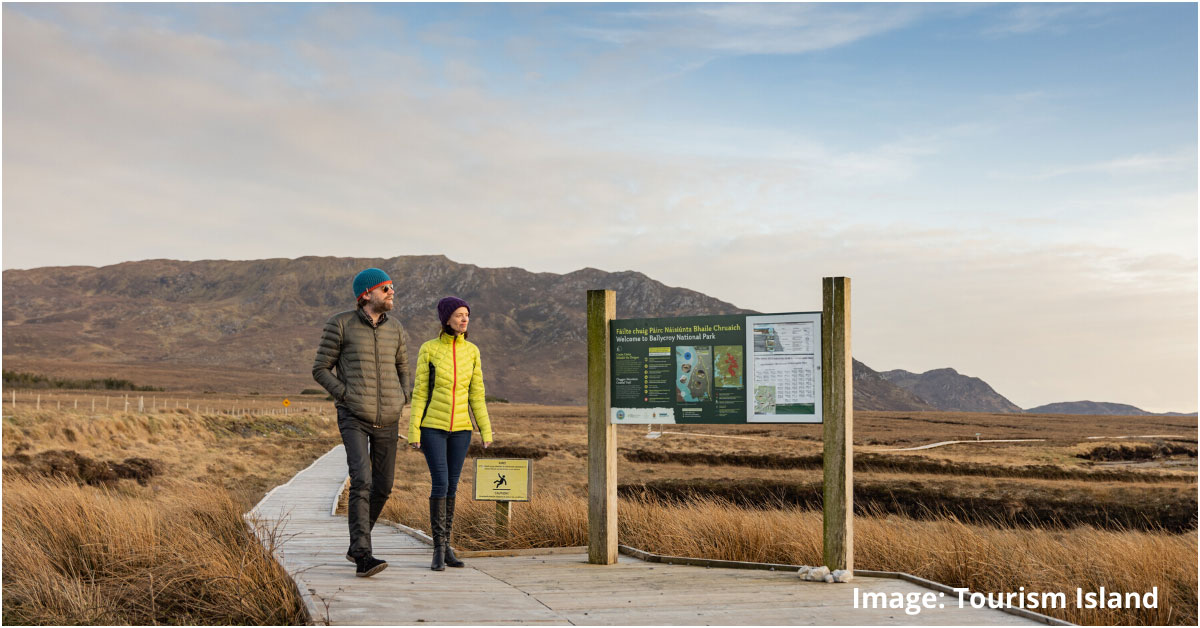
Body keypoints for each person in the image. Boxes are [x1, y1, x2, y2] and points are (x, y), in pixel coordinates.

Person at [312, 268, 410, 578]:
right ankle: (363, 555)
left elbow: (403, 368)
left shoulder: (396, 329)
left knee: (383, 486)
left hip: (389, 418)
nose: (391, 292)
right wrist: (346, 395)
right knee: (363, 480)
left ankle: (357, 544)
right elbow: (320, 368)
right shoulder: (340, 324)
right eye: (385, 288)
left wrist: (402, 396)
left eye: (392, 287)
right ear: (366, 294)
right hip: (354, 416)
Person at [408, 296, 493, 571]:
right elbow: (420, 392)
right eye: (459, 314)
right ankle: (437, 549)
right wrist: (414, 430)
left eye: (467, 314)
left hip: (461, 431)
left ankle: (447, 547)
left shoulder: (472, 352)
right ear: (446, 319)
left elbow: (476, 394)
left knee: (453, 487)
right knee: (440, 484)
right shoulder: (429, 349)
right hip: (433, 427)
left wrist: (485, 429)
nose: (464, 319)